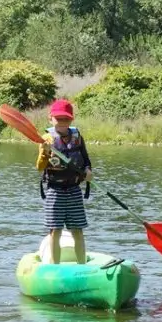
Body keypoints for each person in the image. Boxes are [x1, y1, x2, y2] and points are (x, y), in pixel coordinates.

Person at [36, 98, 92, 265]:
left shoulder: (77, 137)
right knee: (56, 231)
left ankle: (82, 265)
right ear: (50, 119)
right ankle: (55, 265)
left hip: (74, 189)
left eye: (66, 119)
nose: (62, 122)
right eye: (58, 118)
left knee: (77, 230)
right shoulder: (47, 139)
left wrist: (89, 171)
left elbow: (86, 159)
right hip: (55, 190)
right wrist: (44, 153)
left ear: (71, 119)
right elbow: (40, 167)